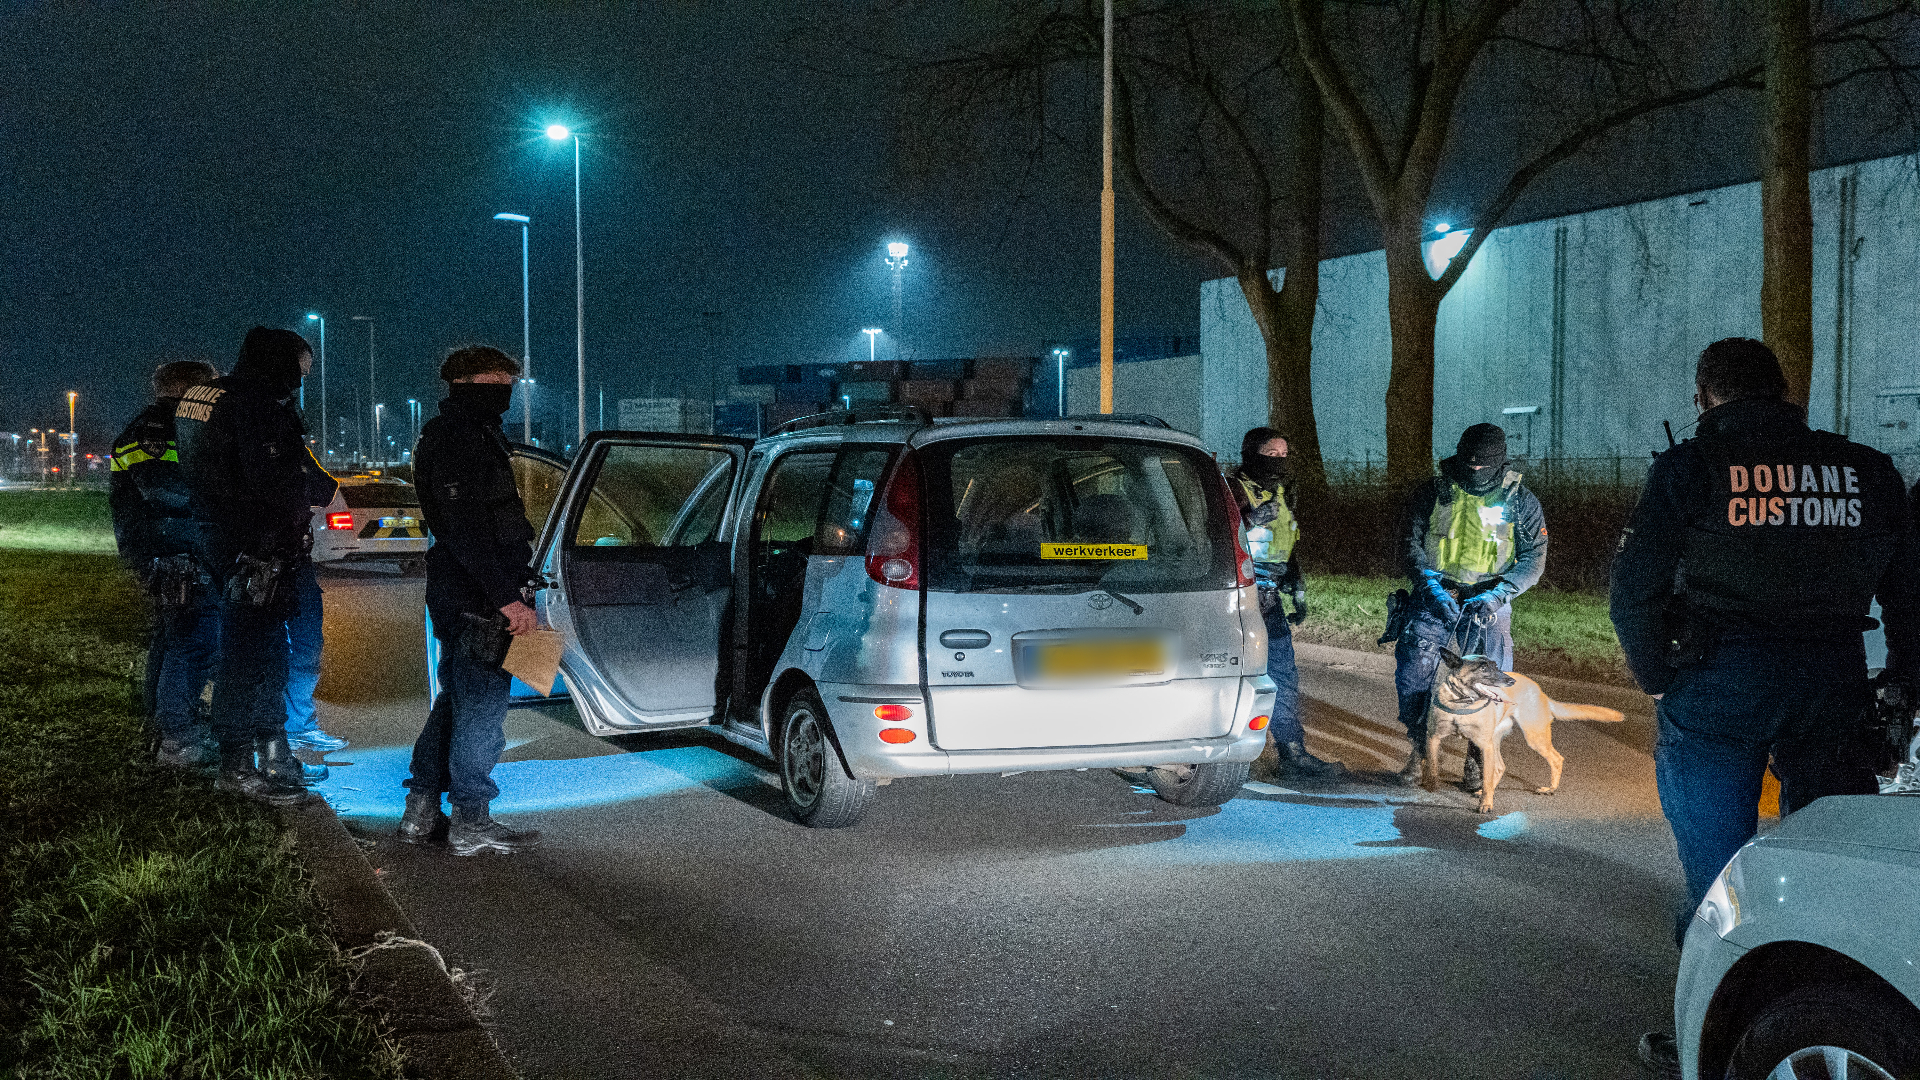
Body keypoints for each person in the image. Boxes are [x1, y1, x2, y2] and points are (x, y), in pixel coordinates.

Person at [400, 345, 542, 855]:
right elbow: (464, 531)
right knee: (482, 711)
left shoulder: (471, 434)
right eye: (500, 378)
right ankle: (471, 821)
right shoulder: (457, 439)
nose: (508, 386)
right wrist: (508, 600)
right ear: (466, 381)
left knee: (457, 704)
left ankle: (420, 810)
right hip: (476, 600)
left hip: (471, 595)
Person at [174, 327, 325, 804]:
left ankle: (271, 752)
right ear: (279, 362)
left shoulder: (203, 395)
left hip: (216, 537)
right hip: (257, 548)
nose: (300, 381)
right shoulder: (258, 404)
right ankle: (238, 764)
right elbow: (273, 481)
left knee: (258, 649)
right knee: (250, 653)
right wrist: (290, 522)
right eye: (300, 370)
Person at [1391, 423, 1547, 787]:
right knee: (1414, 673)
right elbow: (1409, 543)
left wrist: (1498, 594)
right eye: (1469, 463)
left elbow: (1533, 558)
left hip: (1489, 600)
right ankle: (1421, 746)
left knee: (1492, 683)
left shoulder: (1520, 500)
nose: (1476, 470)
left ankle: (1478, 756)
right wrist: (1429, 585)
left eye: (1484, 465)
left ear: (1500, 461)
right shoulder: (1433, 492)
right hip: (1436, 595)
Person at [110, 359, 221, 767]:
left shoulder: (154, 424)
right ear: (188, 387)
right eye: (209, 385)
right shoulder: (158, 428)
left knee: (173, 634)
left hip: (165, 548)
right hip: (175, 550)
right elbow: (164, 490)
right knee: (194, 640)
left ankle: (163, 720)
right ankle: (177, 738)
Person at [1230, 427, 1344, 779]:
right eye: (1271, 453)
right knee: (1235, 670)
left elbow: (1286, 544)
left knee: (1283, 674)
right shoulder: (1232, 489)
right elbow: (1215, 535)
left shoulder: (1282, 493)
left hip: (1271, 595)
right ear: (1252, 453)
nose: (1279, 460)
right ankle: (1228, 750)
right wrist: (1249, 518)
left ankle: (1292, 751)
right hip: (1236, 595)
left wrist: (1297, 587)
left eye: (1284, 454)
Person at [283, 448, 345, 753]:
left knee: (308, 644)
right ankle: (272, 730)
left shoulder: (295, 448)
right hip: (258, 557)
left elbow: (327, 490)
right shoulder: (247, 440)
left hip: (297, 559)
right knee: (266, 650)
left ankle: (300, 726)